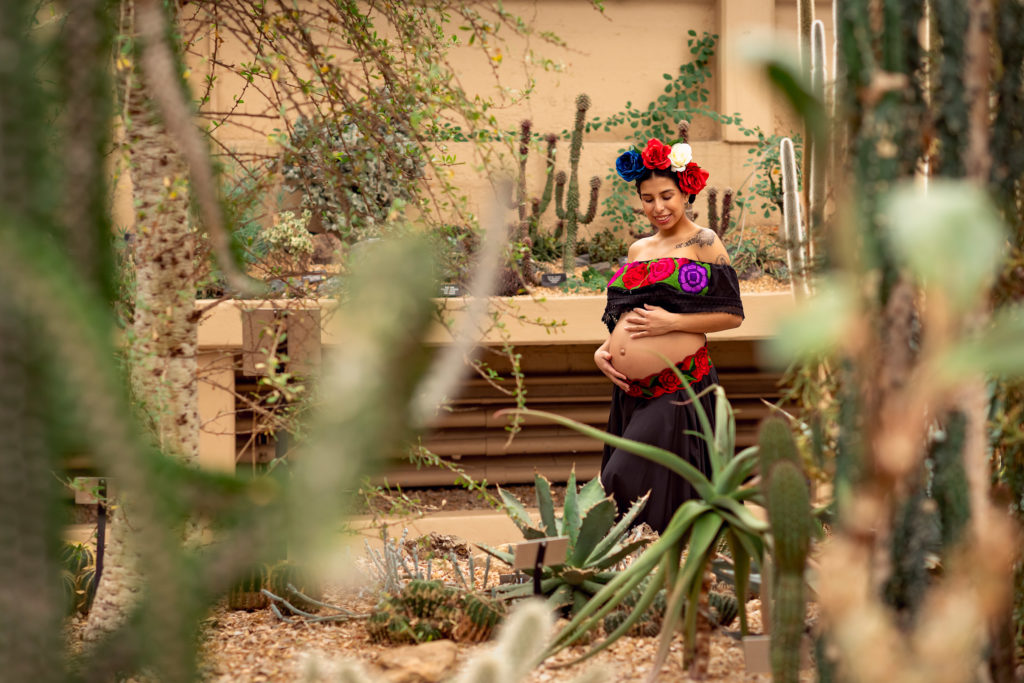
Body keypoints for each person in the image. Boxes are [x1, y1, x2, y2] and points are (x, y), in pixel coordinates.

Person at [594, 137, 744, 533]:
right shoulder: (638, 249)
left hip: (680, 387)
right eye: (647, 199)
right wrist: (604, 351)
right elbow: (627, 313)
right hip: (630, 391)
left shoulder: (704, 241)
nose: (658, 208)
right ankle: (640, 573)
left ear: (686, 192)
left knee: (619, 477)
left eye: (667, 196)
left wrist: (672, 324)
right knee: (631, 492)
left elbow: (732, 314)